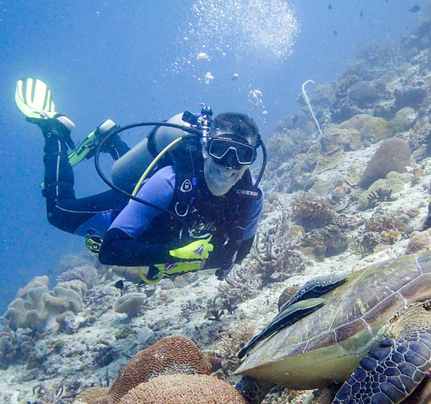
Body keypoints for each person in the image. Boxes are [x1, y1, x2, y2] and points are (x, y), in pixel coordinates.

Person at [16, 78, 264, 281]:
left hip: (157, 224)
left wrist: (178, 265)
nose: (228, 165)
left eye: (243, 155)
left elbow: (237, 253)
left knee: (135, 180)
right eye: (221, 150)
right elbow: (111, 250)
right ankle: (54, 131)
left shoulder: (251, 197)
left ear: (252, 160)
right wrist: (173, 254)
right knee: (58, 212)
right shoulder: (169, 181)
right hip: (127, 206)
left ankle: (111, 139)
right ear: (205, 148)